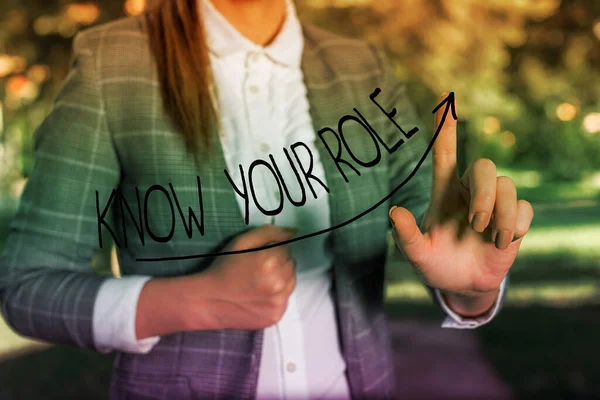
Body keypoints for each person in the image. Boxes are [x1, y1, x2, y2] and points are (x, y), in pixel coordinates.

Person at [0, 0, 534, 398]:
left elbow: (436, 236)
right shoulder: (111, 62)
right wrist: (196, 301)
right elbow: (28, 287)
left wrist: (469, 290)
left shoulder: (361, 66)